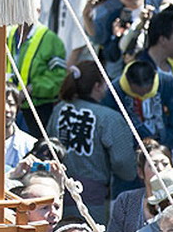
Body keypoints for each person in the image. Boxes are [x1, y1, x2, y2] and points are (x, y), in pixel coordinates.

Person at [47, 61, 136, 222]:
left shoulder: (59, 109)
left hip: (56, 192)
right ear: (97, 86)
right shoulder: (109, 118)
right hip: (92, 198)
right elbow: (124, 163)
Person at [104, 59, 173, 154]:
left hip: (165, 142)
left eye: (147, 91)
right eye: (137, 92)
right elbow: (112, 126)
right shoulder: (114, 91)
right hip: (131, 147)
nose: (143, 95)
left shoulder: (167, 83)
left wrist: (167, 143)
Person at [6, 19, 66, 131]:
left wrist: (31, 89)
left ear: (38, 12)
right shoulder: (8, 35)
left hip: (37, 108)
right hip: (9, 105)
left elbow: (58, 77)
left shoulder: (50, 39)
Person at [108, 138, 173, 232]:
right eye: (153, 165)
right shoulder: (125, 200)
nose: (160, 169)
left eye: (165, 164)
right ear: (140, 172)